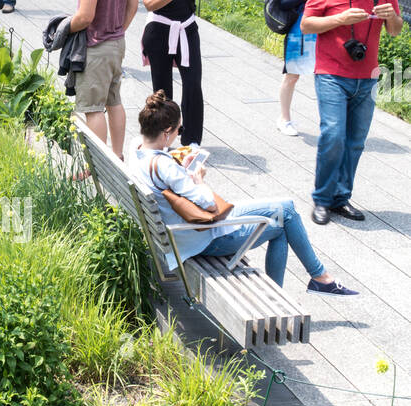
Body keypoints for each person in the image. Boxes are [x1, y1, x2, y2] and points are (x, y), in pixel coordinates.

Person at [132, 91, 356, 295]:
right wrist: (198, 178)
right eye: (179, 130)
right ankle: (294, 290)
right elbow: (209, 203)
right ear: (166, 132)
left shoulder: (137, 150)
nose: (178, 134)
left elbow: (166, 179)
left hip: (182, 231)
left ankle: (318, 279)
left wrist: (182, 167)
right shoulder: (164, 166)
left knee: (286, 206)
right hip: (201, 237)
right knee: (282, 224)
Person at [302, 0, 402, 225]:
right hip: (332, 72)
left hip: (367, 75)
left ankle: (341, 198)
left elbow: (396, 31)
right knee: (333, 135)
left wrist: (392, 17)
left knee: (356, 141)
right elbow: (307, 25)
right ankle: (321, 199)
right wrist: (340, 19)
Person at [69, 0, 139, 157]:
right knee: (114, 100)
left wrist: (65, 28)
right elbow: (133, 6)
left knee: (93, 108)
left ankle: (97, 166)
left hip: (96, 45)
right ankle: (117, 156)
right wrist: (119, 29)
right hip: (118, 42)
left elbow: (85, 16)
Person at [140, 0, 212, 148]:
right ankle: (164, 136)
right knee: (162, 89)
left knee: (193, 83)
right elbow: (150, 3)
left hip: (187, 28)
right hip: (160, 29)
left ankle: (191, 140)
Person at [275, 0, 343, 136]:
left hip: (329, 27)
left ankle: (330, 122)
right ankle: (284, 118)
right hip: (300, 32)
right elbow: (284, 2)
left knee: (328, 76)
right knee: (292, 75)